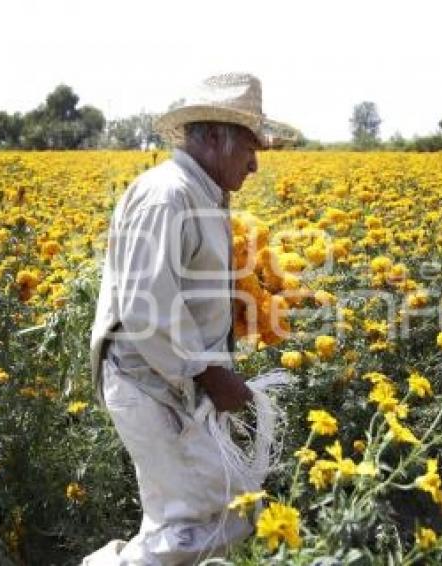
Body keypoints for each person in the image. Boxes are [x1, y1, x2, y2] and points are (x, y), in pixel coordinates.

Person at [84, 73, 289, 564]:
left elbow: (183, 291)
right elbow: (146, 303)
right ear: (217, 137)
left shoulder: (200, 196)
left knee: (211, 515)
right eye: (250, 147)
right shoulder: (168, 195)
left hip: (173, 385)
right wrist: (212, 373)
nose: (256, 163)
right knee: (199, 525)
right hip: (152, 383)